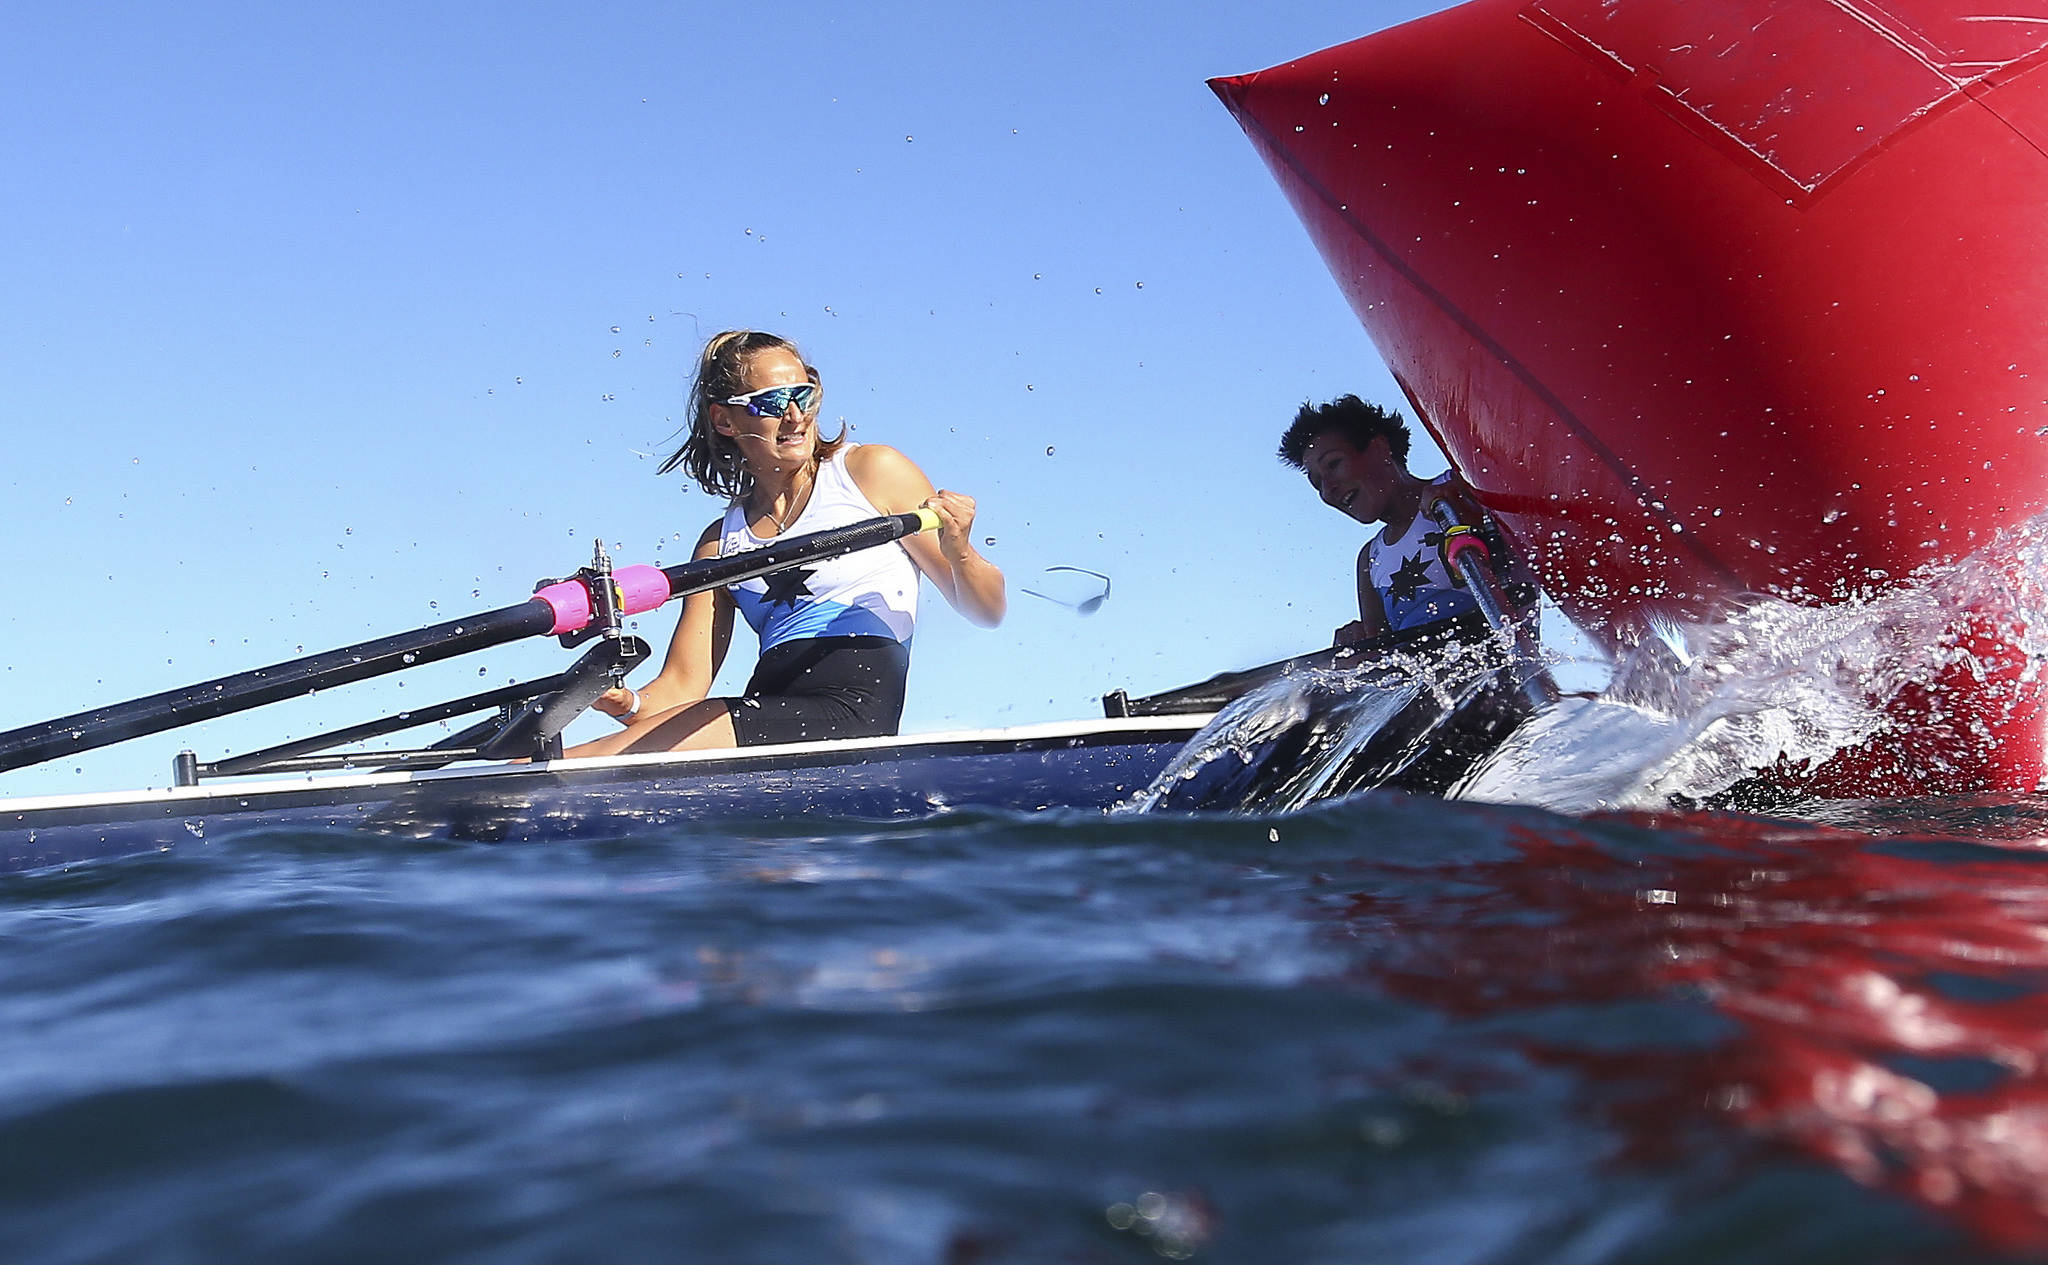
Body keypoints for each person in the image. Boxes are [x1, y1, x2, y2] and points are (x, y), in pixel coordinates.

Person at [570, 330, 1005, 756]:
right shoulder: (719, 543)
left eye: (805, 395)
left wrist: (960, 552)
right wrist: (625, 702)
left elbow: (987, 610)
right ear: (725, 419)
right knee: (581, 755)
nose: (795, 416)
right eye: (773, 403)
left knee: (592, 758)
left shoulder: (871, 472)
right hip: (766, 714)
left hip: (853, 714)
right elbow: (681, 687)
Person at [1277, 394, 1533, 648]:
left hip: (1513, 674)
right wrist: (1355, 647)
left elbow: (1525, 550)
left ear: (1380, 448)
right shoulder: (1369, 558)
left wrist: (1468, 508)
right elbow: (1383, 657)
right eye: (1317, 482)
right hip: (1437, 686)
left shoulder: (1462, 486)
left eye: (1333, 464)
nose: (1328, 489)